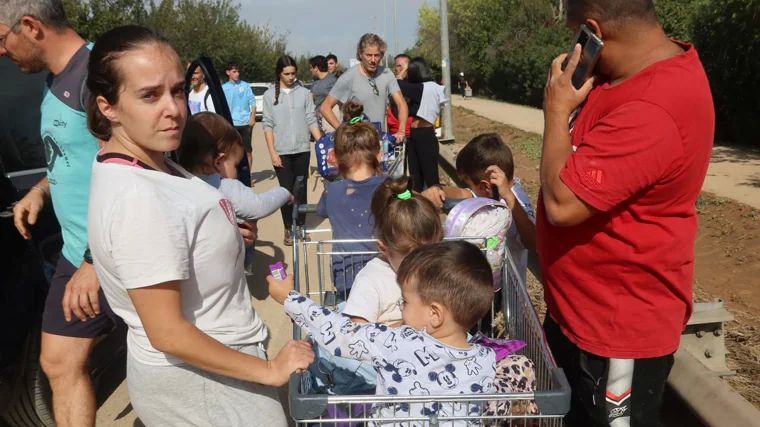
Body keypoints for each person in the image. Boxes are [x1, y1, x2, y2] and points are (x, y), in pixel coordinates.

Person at [85, 26, 314, 426]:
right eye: (149, 95)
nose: (173, 108)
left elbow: (179, 233)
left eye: (176, 90)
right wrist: (270, 371)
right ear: (108, 106)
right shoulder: (138, 196)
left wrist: (223, 234)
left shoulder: (151, 159)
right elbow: (167, 332)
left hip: (217, 370)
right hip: (208, 384)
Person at [539, 0, 714, 425]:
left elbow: (562, 204)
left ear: (594, 30)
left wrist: (557, 110)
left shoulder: (655, 106)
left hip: (614, 336)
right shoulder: (621, 78)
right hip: (579, 317)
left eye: (577, 36)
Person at [2, 2, 117, 425]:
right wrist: (39, 190)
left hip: (111, 251)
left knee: (166, 357)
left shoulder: (97, 76)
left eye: (2, 38)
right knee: (59, 363)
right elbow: (72, 157)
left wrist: (94, 259)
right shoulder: (54, 81)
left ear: (30, 26)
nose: (2, 51)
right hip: (77, 251)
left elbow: (135, 167)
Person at [267, 241, 497, 421]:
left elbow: (342, 333)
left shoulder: (400, 342)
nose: (400, 308)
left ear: (434, 314)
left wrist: (290, 298)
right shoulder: (487, 359)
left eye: (405, 302)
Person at [422, 133, 535, 284]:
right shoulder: (486, 194)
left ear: (484, 186)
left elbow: (532, 241)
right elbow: (464, 193)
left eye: (467, 183)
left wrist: (509, 198)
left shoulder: (517, 198)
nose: (467, 188)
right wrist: (438, 190)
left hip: (507, 288)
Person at [343, 175, 443, 325]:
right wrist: (405, 328)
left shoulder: (437, 273)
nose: (425, 264)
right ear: (384, 249)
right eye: (413, 258)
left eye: (433, 253)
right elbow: (357, 336)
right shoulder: (372, 280)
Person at [178, 112, 291, 222]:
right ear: (218, 162)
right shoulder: (225, 187)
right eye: (235, 165)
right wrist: (283, 192)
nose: (237, 171)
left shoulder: (179, 185)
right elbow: (259, 206)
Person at [316, 122, 385, 301]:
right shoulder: (390, 187)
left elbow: (321, 211)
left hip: (346, 272)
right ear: (379, 154)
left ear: (336, 158)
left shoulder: (332, 191)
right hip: (385, 269)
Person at [262, 55, 321, 245]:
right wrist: (272, 152)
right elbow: (268, 125)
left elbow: (311, 119)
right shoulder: (270, 96)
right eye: (287, 74)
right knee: (285, 193)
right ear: (279, 73)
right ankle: (288, 227)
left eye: (293, 73)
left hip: (302, 150)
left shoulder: (304, 93)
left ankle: (301, 226)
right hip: (282, 152)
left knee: (301, 189)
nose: (291, 77)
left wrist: (321, 142)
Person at [320, 33, 408, 139]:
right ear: (360, 54)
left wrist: (401, 130)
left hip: (379, 141)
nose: (373, 60)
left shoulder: (387, 74)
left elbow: (401, 103)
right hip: (356, 144)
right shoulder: (348, 77)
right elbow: (325, 107)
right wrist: (342, 132)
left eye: (377, 55)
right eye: (368, 55)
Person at [398, 57, 447, 191]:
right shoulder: (431, 87)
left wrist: (403, 72)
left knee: (426, 177)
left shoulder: (422, 88)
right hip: (418, 134)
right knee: (419, 176)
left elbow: (397, 83)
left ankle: (432, 206)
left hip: (423, 135)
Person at [222, 62, 256, 185]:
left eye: (238, 71)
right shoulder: (224, 88)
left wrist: (252, 117)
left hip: (245, 122)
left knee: (247, 150)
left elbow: (253, 103)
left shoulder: (245, 86)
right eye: (234, 71)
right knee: (232, 151)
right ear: (228, 72)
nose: (237, 74)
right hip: (231, 124)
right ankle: (234, 176)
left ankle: (248, 176)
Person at [308, 55, 337, 131]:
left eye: (311, 68)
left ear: (316, 68)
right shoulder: (315, 83)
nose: (310, 70)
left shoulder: (333, 81)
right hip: (317, 124)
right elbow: (310, 99)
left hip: (329, 123)